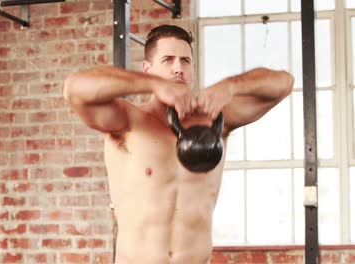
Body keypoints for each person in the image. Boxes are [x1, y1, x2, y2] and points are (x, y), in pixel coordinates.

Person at [63, 24, 294, 264]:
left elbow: (283, 82)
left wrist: (231, 86)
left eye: (185, 61)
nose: (178, 69)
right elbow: (75, 88)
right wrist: (154, 85)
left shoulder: (216, 121)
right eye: (168, 60)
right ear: (147, 69)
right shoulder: (127, 121)